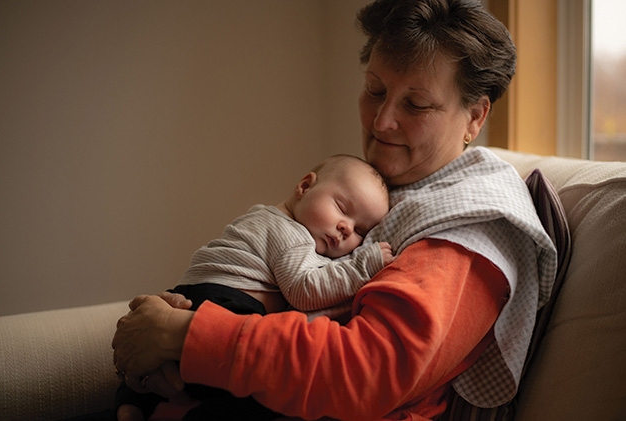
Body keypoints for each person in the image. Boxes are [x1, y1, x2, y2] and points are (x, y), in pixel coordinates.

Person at [112, 1, 558, 420]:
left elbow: (367, 369)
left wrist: (181, 334)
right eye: (374, 90)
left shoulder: (465, 228)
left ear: (475, 118)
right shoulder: (388, 193)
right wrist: (176, 318)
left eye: (416, 104)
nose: (382, 121)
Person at [116, 154, 395, 421]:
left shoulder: (263, 216)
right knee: (263, 395)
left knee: (160, 370)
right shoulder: (293, 235)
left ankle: (130, 404)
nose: (347, 228)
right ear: (305, 186)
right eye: (343, 209)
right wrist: (362, 266)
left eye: (361, 230)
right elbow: (304, 290)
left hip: (188, 298)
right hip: (225, 305)